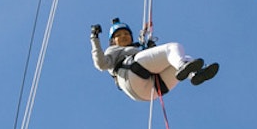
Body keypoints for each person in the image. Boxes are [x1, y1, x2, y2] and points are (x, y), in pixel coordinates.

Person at [90, 17, 218, 101]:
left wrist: (149, 46)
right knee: (173, 47)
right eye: (118, 35)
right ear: (113, 41)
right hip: (130, 73)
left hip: (149, 91)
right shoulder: (113, 51)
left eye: (126, 34)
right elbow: (101, 64)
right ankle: (183, 66)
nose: (124, 36)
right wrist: (94, 38)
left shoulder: (138, 50)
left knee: (186, 58)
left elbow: (152, 59)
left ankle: (194, 74)